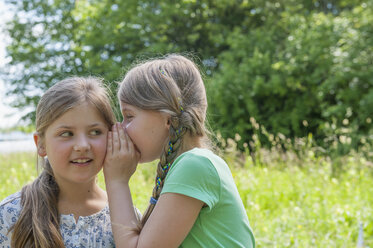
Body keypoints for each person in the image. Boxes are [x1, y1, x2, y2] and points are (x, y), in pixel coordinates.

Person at [103, 54, 255, 247]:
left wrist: (117, 181)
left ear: (167, 119)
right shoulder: (192, 164)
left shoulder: (195, 165)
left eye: (129, 116)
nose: (122, 128)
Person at [0, 77, 117, 247]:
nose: (82, 146)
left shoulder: (122, 217)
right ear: (40, 144)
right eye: (66, 134)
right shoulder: (10, 215)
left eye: (95, 131)